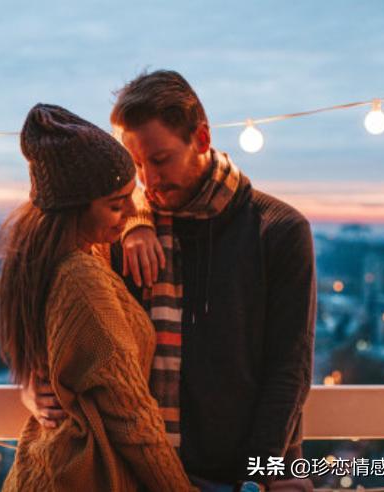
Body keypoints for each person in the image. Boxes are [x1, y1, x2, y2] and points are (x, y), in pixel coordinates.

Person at [21, 71, 317, 492]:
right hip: (139, 477)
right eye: (136, 164)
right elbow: (69, 326)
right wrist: (34, 385)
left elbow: (289, 369)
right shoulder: (121, 229)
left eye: (159, 160)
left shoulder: (278, 230)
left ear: (201, 138)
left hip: (240, 477)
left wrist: (257, 479)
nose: (148, 181)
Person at [0, 103, 196, 491]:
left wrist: (137, 224)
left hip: (49, 467)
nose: (128, 212)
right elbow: (133, 419)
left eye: (129, 200)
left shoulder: (49, 256)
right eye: (117, 205)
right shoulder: (82, 279)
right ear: (75, 210)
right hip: (81, 475)